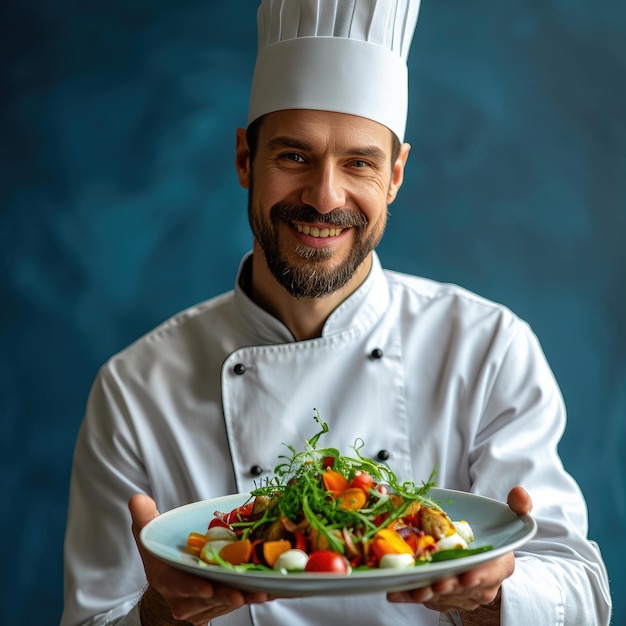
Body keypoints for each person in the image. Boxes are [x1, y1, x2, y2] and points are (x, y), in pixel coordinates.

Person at [61, 1, 612, 625]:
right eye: (294, 156)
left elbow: (582, 596)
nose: (325, 197)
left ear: (395, 174)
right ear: (245, 159)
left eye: (359, 163)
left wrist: (494, 598)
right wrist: (161, 611)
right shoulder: (135, 388)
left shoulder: (488, 349)